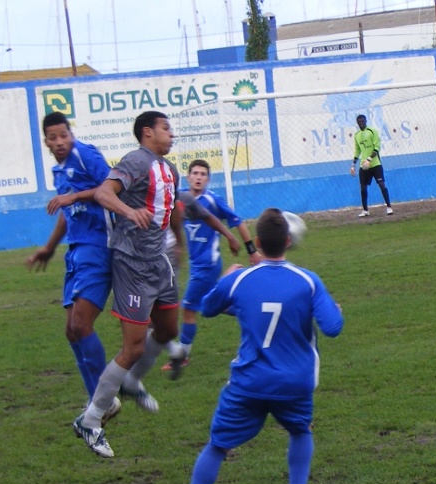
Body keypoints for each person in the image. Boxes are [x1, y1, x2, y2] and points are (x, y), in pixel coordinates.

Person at [72, 110, 239, 459]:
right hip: (132, 263)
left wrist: (179, 240)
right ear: (147, 132)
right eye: (166, 128)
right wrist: (128, 211)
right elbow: (104, 193)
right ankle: (91, 419)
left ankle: (131, 381)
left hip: (159, 262)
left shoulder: (169, 169)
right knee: (133, 347)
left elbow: (174, 207)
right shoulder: (136, 160)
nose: (171, 134)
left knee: (167, 330)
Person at [178, 207, 344, 484]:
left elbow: (207, 307)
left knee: (217, 445)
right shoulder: (308, 281)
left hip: (249, 382)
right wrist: (334, 310)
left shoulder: (241, 279)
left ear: (257, 241)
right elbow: (333, 327)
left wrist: (226, 280)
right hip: (294, 382)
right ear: (288, 241)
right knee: (300, 431)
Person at [26, 112, 122, 424]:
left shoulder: (85, 154)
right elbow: (68, 213)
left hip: (99, 246)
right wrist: (49, 247)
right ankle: (98, 400)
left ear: (71, 134)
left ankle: (104, 399)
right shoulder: (58, 170)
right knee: (71, 330)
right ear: (46, 142)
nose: (59, 142)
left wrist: (75, 196)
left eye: (63, 135)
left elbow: (112, 188)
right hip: (76, 250)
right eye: (53, 138)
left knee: (81, 324)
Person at [162, 159, 262, 371]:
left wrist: (252, 251)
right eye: (195, 173)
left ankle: (182, 357)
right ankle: (252, 308)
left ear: (208, 179)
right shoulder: (181, 199)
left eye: (203, 174)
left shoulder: (213, 200)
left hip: (207, 265)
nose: (198, 177)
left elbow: (238, 222)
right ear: (188, 177)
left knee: (188, 309)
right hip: (196, 264)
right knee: (213, 304)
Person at [350, 114, 393, 217]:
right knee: (363, 187)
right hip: (364, 165)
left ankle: (389, 207)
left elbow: (377, 147)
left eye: (362, 121)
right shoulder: (357, 135)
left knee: (381, 184)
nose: (361, 123)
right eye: (359, 122)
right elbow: (357, 150)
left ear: (366, 121)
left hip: (375, 164)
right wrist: (353, 165)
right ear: (357, 123)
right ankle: (365, 210)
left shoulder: (372, 131)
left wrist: (369, 159)